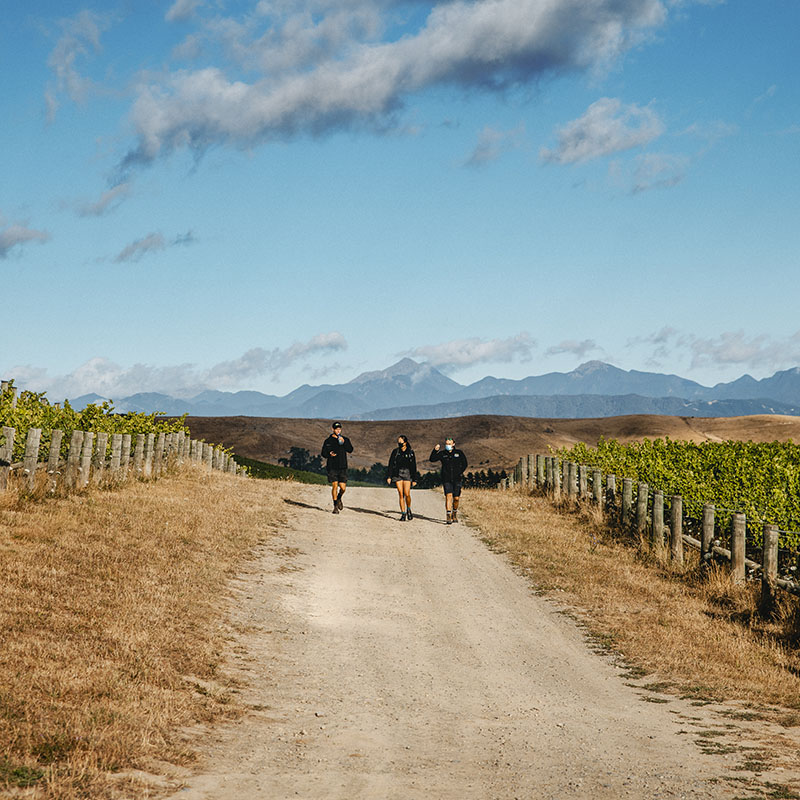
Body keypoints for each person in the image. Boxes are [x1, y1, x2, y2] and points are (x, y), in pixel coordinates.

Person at [429, 437, 468, 524]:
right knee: (448, 496)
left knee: (456, 498)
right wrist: (435, 450)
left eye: (449, 444)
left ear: (453, 444)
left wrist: (460, 472)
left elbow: (465, 463)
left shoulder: (459, 453)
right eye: (447, 444)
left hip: (457, 478)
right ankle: (448, 515)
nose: (448, 445)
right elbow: (432, 459)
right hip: (446, 478)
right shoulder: (443, 454)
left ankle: (454, 513)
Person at [320, 422, 353, 514]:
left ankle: (339, 498)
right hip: (332, 467)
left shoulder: (345, 439)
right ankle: (335, 507)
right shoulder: (328, 441)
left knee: (343, 488)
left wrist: (344, 443)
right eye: (336, 429)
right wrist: (329, 454)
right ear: (332, 429)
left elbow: (350, 449)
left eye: (339, 429)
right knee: (334, 485)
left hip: (343, 467)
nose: (338, 430)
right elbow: (323, 453)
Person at [386, 435, 418, 521]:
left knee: (407, 493)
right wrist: (389, 476)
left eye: (401, 442)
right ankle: (403, 513)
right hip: (398, 474)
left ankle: (408, 508)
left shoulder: (410, 452)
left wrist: (414, 479)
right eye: (398, 442)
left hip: (407, 473)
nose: (399, 443)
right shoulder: (395, 452)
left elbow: (414, 466)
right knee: (400, 493)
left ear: (405, 443)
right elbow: (391, 464)